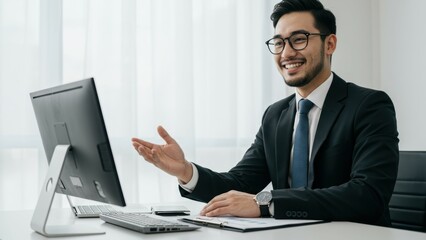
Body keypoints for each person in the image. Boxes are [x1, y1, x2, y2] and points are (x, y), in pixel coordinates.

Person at [132, 0, 399, 226]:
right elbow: (240, 183)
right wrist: (186, 171)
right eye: (279, 42)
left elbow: (368, 194)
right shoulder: (276, 116)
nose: (287, 53)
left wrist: (266, 203)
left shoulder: (369, 106)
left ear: (330, 44)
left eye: (299, 39)